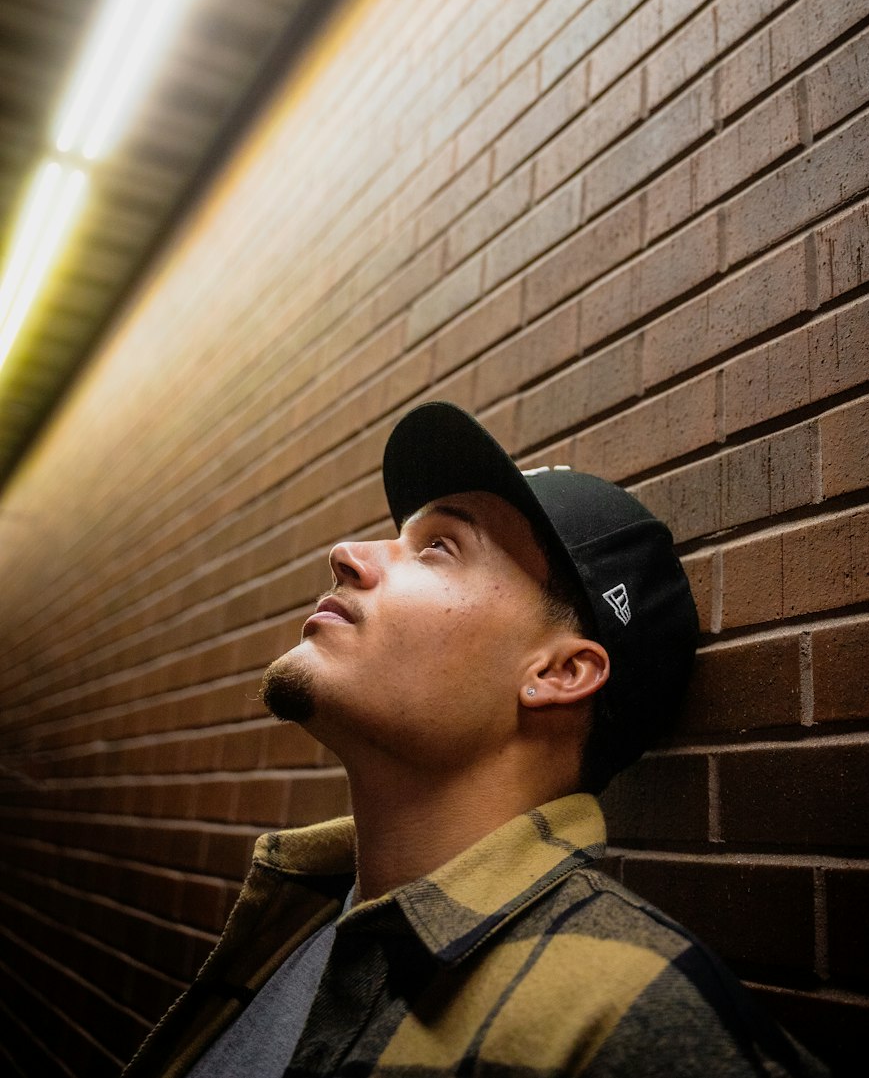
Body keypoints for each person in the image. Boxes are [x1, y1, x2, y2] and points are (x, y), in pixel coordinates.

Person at [124, 401, 827, 1077]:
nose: (345, 554)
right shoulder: (296, 921)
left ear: (558, 671)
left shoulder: (635, 1020)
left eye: (438, 547)